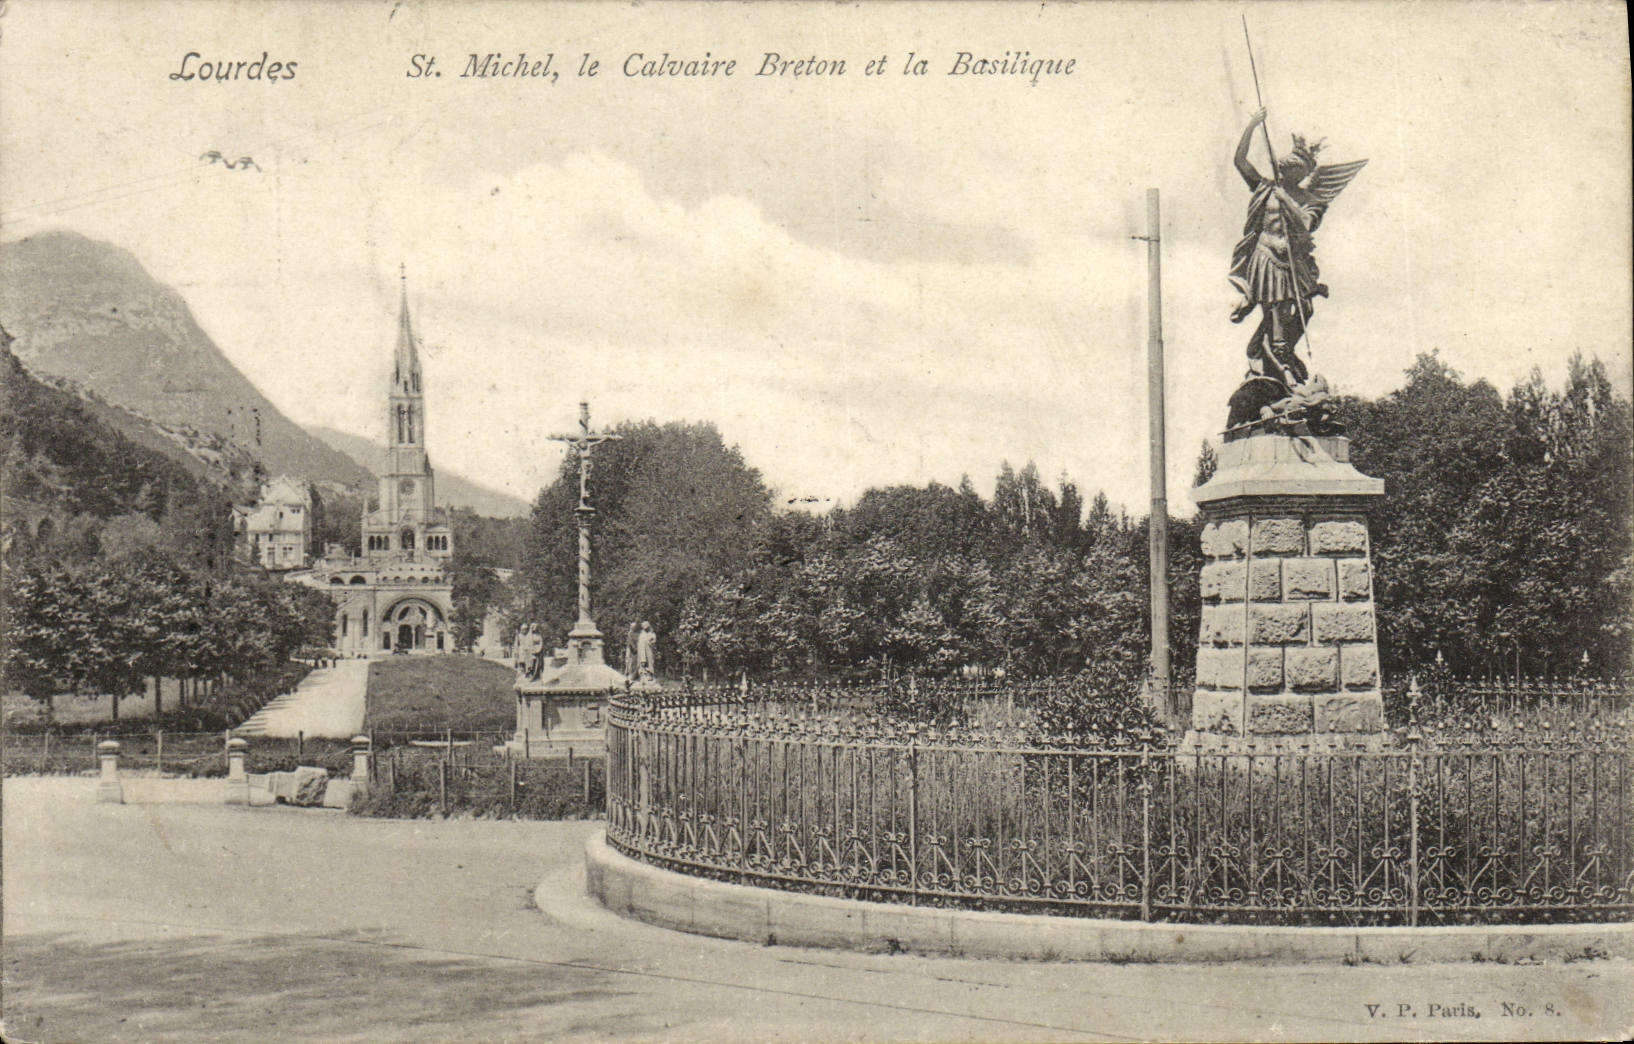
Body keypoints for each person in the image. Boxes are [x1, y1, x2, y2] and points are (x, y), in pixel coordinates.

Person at [1228, 108, 1366, 391]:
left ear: (1302, 172)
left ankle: (1272, 354)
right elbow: (1240, 161)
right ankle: (1284, 370)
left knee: (1304, 309)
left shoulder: (1310, 199)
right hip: (1266, 259)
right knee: (1277, 315)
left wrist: (1286, 199)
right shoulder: (1264, 188)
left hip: (1293, 264)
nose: (1286, 171)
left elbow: (1306, 224)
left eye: (1293, 169)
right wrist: (1252, 126)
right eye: (1285, 167)